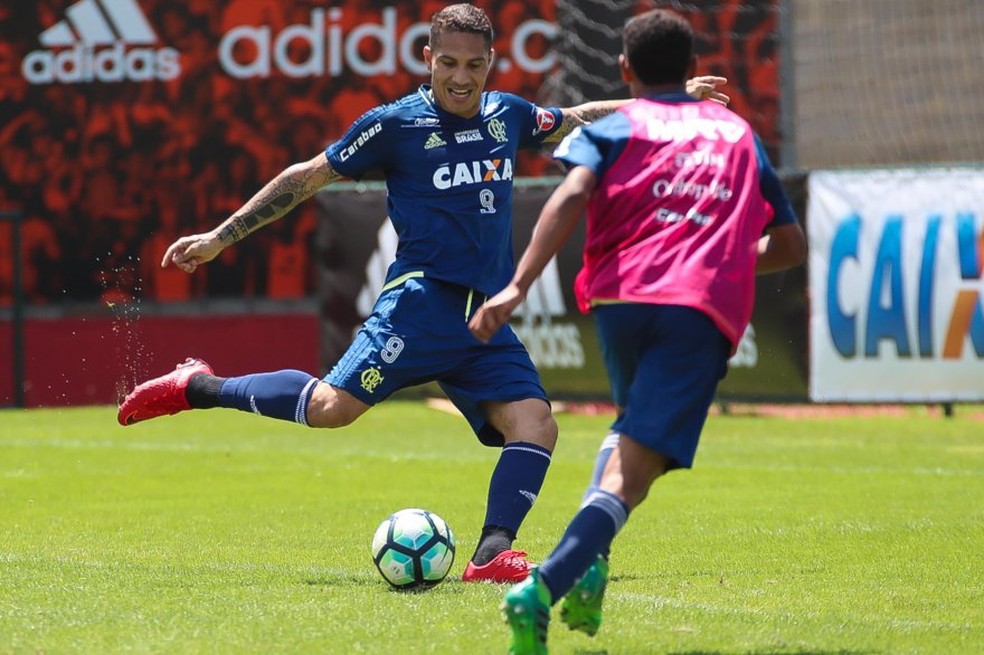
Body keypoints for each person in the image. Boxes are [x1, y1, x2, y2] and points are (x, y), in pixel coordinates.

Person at [117, 4, 728, 584]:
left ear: (490, 63)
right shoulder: (394, 125)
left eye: (475, 65)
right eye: (449, 63)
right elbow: (308, 175)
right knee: (331, 410)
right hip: (421, 303)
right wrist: (223, 237)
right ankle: (198, 386)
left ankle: (492, 553)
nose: (461, 78)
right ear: (429, 57)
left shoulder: (507, 116)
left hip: (481, 317)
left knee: (536, 424)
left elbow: (574, 118)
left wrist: (659, 104)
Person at [467, 7, 806, 651]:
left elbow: (569, 194)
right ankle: (545, 587)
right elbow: (789, 244)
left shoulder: (619, 125)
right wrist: (729, 255)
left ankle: (593, 564)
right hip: (695, 305)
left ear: (624, 70)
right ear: (695, 70)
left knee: (627, 435)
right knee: (638, 471)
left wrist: (517, 285)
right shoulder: (735, 134)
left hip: (619, 301)